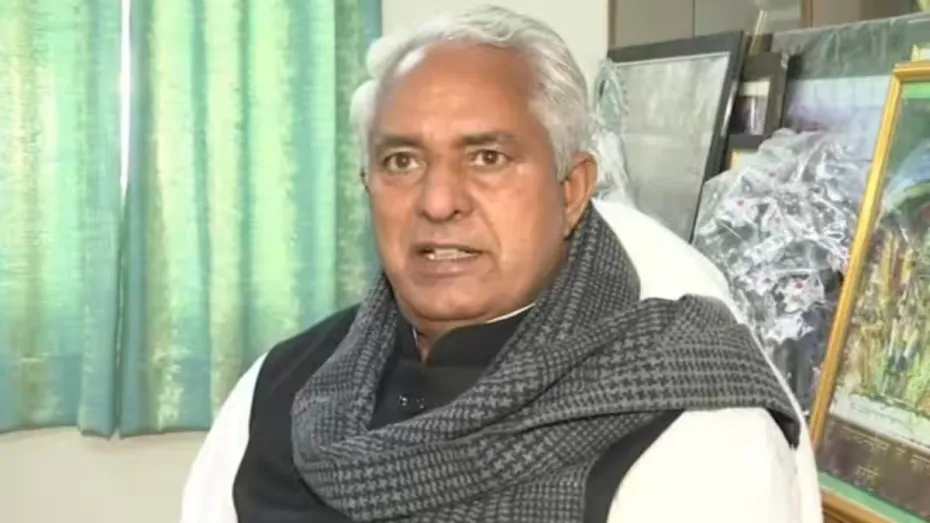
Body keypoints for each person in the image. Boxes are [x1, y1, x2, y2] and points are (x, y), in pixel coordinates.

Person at [180, 6, 822, 523]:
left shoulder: (692, 427)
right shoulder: (278, 389)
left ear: (570, 190)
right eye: (402, 161)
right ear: (366, 184)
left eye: (487, 157)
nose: (438, 202)